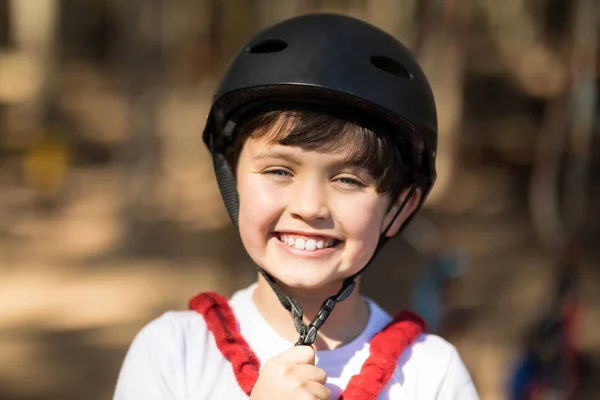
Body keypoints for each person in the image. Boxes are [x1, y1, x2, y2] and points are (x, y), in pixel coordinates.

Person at [114, 13, 479, 400]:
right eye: (278, 171)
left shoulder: (432, 375)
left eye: (348, 180)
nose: (309, 207)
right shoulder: (174, 353)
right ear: (232, 180)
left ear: (401, 207)